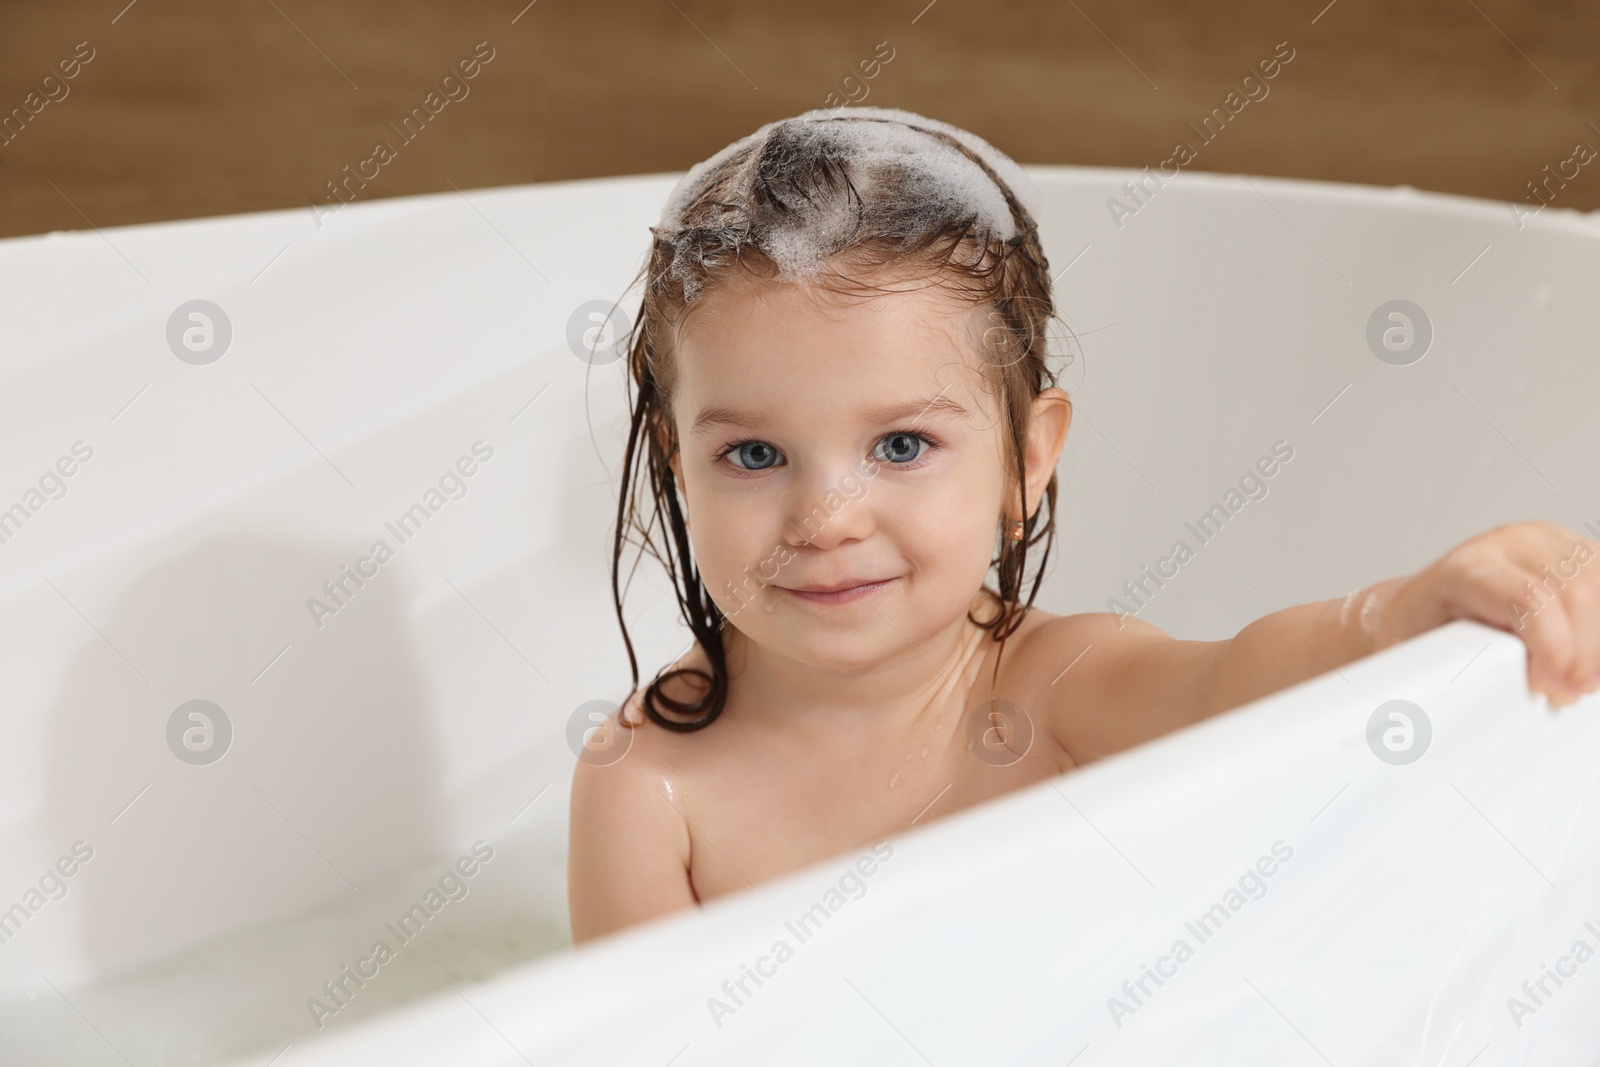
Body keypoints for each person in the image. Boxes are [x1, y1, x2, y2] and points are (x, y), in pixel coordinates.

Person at [568, 107, 1600, 944]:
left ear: (1025, 455)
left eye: (900, 447)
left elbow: (1233, 679)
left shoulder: (1057, 689)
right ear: (676, 460)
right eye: (753, 455)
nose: (827, 519)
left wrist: (1397, 612)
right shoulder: (649, 778)